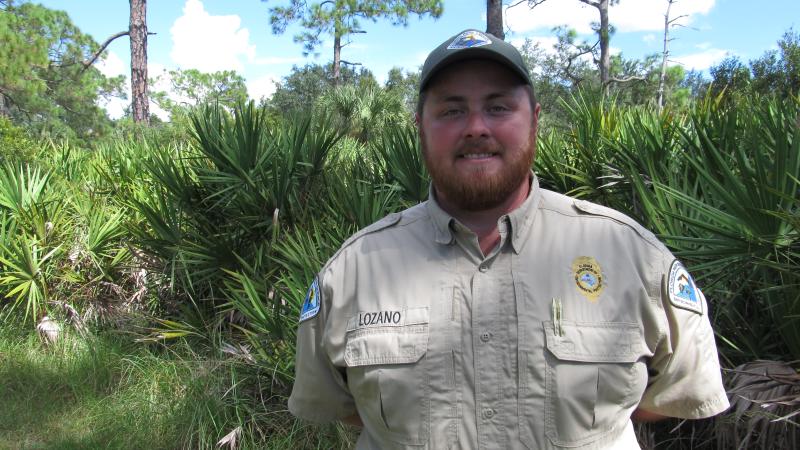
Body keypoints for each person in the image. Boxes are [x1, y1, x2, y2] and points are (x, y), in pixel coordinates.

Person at [288, 29, 730, 449]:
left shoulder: (632, 256)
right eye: (452, 110)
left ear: (534, 121)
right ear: (420, 126)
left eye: (499, 107)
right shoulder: (352, 272)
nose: (476, 126)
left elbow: (667, 397)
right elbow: (344, 408)